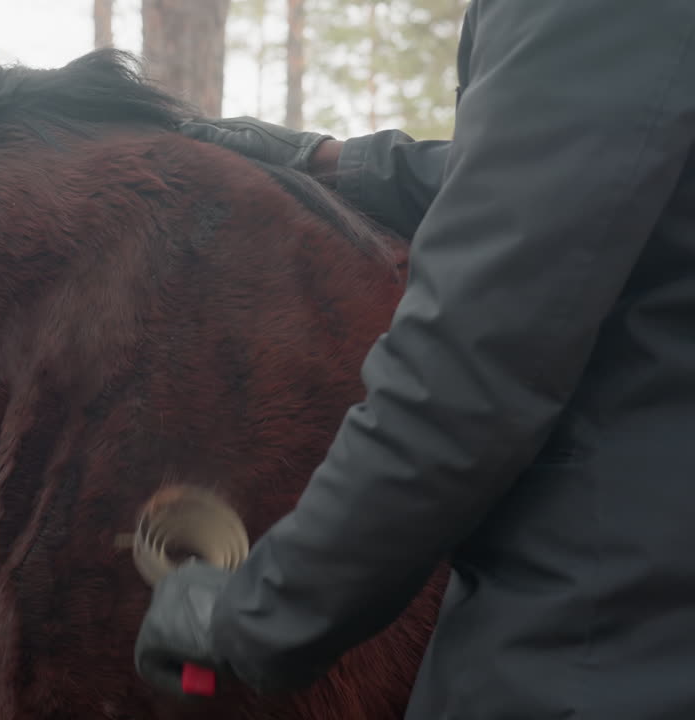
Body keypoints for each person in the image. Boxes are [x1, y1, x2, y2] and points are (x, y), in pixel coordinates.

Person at [133, 2, 695, 718]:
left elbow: (470, 372)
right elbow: (594, 166)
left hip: (605, 644)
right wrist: (333, 163)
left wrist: (251, 613)